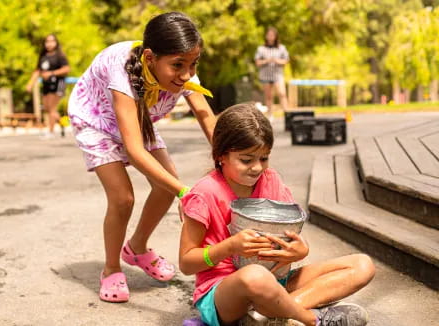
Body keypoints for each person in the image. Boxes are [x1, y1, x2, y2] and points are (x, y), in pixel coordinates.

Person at [179, 103, 376, 326]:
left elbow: (290, 236)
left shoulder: (271, 181)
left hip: (276, 281)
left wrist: (301, 250)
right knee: (254, 275)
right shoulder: (204, 194)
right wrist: (229, 247)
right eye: (246, 159)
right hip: (225, 293)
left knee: (362, 265)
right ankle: (312, 319)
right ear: (221, 155)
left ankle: (268, 316)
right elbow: (186, 263)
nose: (257, 167)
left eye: (264, 158)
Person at [67, 12, 216, 303]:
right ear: (150, 58)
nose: (187, 74)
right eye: (178, 66)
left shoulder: (182, 67)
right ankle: (111, 268)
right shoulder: (122, 68)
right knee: (123, 198)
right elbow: (134, 150)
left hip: (137, 120)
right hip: (97, 121)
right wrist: (185, 194)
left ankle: (136, 248)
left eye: (193, 64)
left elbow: (205, 114)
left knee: (165, 184)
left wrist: (228, 159)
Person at [26, 34, 70, 138]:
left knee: (52, 109)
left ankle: (50, 132)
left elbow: (66, 69)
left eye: (52, 41)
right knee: (46, 108)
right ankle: (64, 124)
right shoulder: (43, 56)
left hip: (58, 84)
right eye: (47, 41)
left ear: (56, 43)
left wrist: (51, 73)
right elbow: (37, 71)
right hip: (46, 85)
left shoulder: (60, 56)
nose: (49, 44)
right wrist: (30, 84)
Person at [254, 27, 290, 120]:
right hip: (265, 76)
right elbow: (257, 62)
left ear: (276, 36)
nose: (270, 37)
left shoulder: (282, 48)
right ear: (266, 36)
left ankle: (287, 114)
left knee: (282, 94)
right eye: (269, 35)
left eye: (272, 35)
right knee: (268, 96)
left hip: (278, 75)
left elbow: (286, 61)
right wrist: (267, 60)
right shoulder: (261, 48)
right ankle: (270, 115)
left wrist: (276, 60)